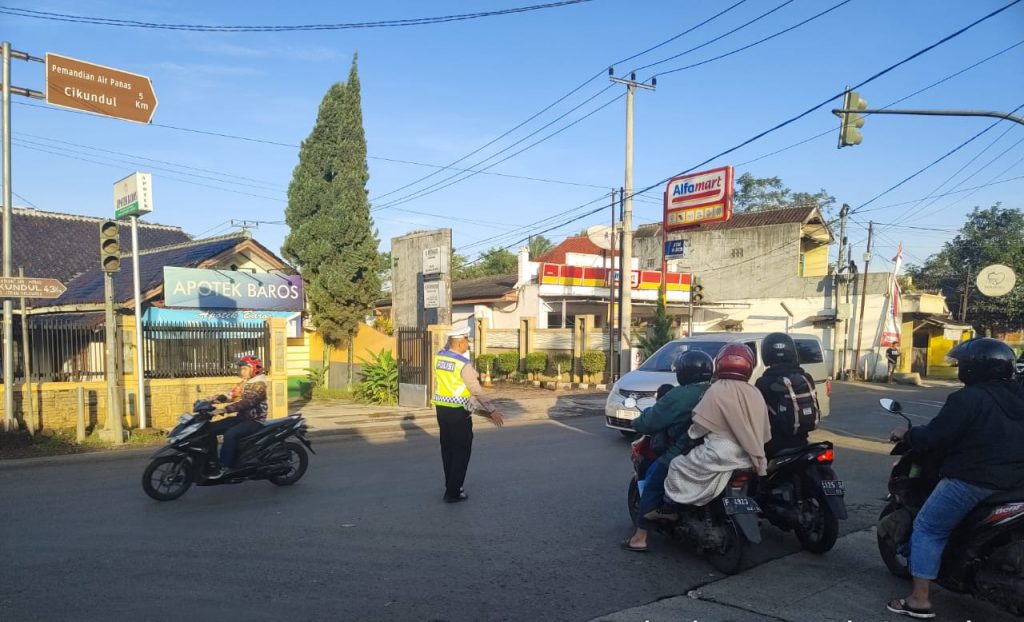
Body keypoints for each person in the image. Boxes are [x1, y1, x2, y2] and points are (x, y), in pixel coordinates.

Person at [886, 337, 1024, 619]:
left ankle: (919, 600)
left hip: (974, 481)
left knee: (928, 527)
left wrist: (908, 434)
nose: (960, 368)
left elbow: (936, 436)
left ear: (974, 368)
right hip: (1016, 481)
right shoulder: (1019, 395)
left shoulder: (967, 398)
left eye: (962, 364)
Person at [660, 344, 771, 513]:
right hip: (750, 455)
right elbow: (764, 429)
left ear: (719, 363)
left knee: (676, 464)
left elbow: (700, 425)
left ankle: (671, 508)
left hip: (720, 454)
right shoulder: (754, 392)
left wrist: (691, 435)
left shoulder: (716, 389)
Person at [622, 351, 714, 552]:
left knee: (653, 483)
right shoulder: (716, 391)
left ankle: (640, 538)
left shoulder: (679, 395)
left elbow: (649, 422)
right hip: (715, 450)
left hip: (683, 451)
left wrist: (638, 421)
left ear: (684, 373)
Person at [431, 328, 504, 503]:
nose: (469, 344)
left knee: (447, 449)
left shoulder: (439, 356)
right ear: (460, 343)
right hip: (458, 411)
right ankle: (453, 492)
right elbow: (476, 390)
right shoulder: (463, 364)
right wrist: (491, 411)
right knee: (461, 451)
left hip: (441, 409)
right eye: (467, 341)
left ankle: (452, 485)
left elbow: (445, 347)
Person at [756, 332, 821, 458]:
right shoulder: (806, 378)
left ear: (766, 354)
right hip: (802, 441)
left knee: (756, 473)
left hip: (774, 445)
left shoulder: (763, 383)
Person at [208, 355, 269, 478]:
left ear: (254, 369)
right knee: (210, 429)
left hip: (254, 421)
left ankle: (224, 467)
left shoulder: (259, 384)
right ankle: (211, 462)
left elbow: (246, 403)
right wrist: (213, 400)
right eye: (241, 369)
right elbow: (232, 395)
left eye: (245, 369)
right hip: (242, 418)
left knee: (230, 434)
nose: (242, 372)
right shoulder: (246, 382)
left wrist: (224, 409)